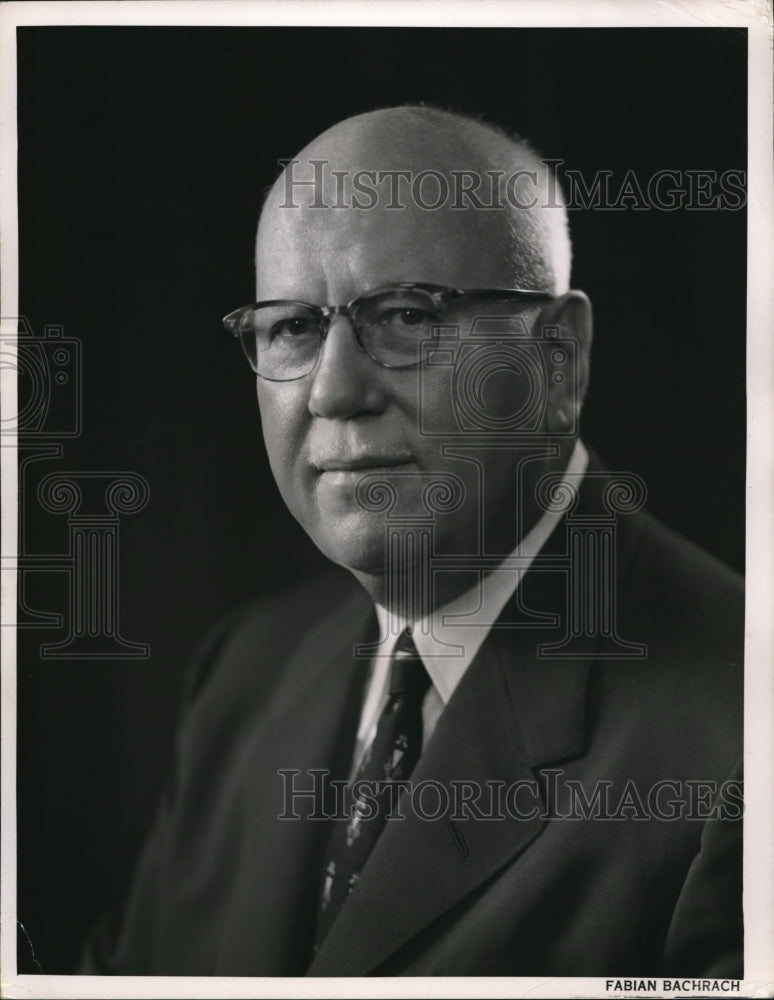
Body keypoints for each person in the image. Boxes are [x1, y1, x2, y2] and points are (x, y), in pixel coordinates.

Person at [82, 106, 743, 978]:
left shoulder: (739, 750)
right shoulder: (243, 672)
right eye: (292, 327)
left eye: (402, 316)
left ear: (558, 362)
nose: (333, 391)